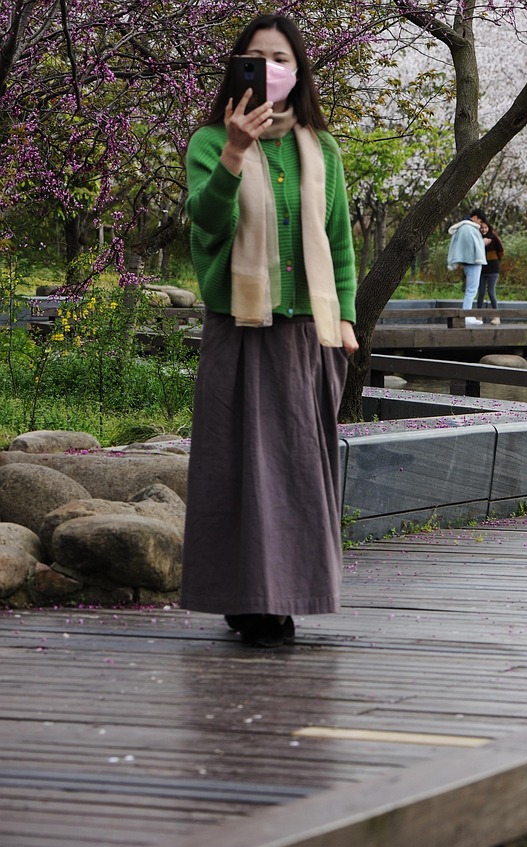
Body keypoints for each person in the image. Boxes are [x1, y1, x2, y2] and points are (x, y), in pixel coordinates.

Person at [181, 14, 360, 647]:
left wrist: (345, 318)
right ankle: (246, 600)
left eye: (279, 58)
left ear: (298, 71)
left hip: (304, 336)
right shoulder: (209, 142)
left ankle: (286, 595)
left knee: (295, 470)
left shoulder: (321, 150)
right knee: (237, 470)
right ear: (237, 68)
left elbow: (338, 243)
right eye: (255, 58)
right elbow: (206, 225)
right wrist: (233, 153)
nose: (268, 68)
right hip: (240, 328)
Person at [448, 209, 486, 327]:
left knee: (471, 289)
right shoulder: (469, 228)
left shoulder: (463, 227)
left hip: (469, 261)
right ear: (474, 217)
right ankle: (467, 315)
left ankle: (467, 314)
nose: (480, 224)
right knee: (472, 289)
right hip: (473, 261)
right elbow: (472, 246)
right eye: (480, 221)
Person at [478, 218, 504, 323]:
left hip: (493, 268)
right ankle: (479, 315)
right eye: (481, 228)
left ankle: (496, 316)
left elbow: (501, 251)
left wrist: (495, 260)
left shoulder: (494, 238)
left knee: (491, 292)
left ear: (488, 228)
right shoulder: (477, 238)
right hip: (481, 268)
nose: (484, 230)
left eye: (485, 227)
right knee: (481, 292)